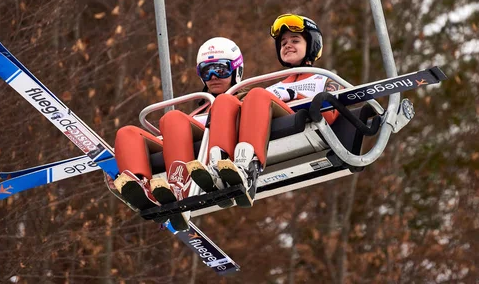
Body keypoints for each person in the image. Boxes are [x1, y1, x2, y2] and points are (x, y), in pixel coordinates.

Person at [188, 14, 342, 208]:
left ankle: (249, 167)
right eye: (283, 42)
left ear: (312, 46)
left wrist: (294, 95)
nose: (287, 45)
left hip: (305, 127)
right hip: (269, 131)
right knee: (230, 99)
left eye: (295, 40)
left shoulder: (324, 80)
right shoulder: (273, 89)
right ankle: (221, 167)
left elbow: (329, 114)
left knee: (257, 95)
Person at [112, 37, 244, 230]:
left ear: (236, 69)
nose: (214, 76)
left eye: (221, 69)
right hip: (190, 146)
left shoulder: (245, 97)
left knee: (173, 117)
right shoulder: (198, 111)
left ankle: (180, 184)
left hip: (221, 145)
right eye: (207, 71)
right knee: (128, 132)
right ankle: (138, 185)